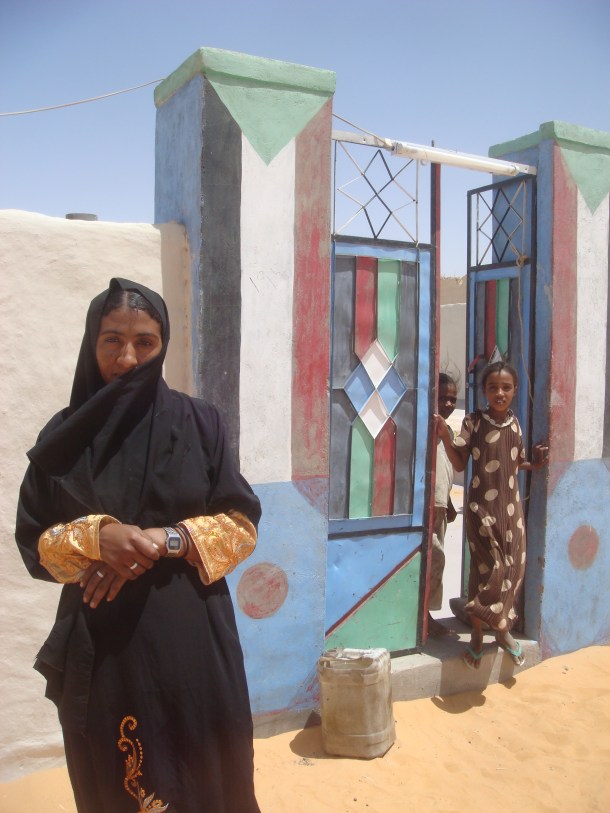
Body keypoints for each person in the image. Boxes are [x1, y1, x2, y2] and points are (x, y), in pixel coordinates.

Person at [15, 278, 262, 813]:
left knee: (210, 781)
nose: (128, 358)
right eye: (112, 341)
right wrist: (96, 537)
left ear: (162, 344)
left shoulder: (201, 423)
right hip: (106, 650)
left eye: (144, 342)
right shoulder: (63, 437)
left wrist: (166, 539)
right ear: (92, 343)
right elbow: (35, 544)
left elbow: (241, 525)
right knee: (118, 784)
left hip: (195, 647)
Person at [435, 361, 548, 670]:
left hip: (511, 512)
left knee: (513, 570)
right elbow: (459, 463)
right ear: (484, 391)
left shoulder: (514, 424)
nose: (500, 393)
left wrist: (535, 465)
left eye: (506, 388)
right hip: (481, 511)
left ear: (514, 391)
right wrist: (446, 436)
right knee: (489, 570)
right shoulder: (474, 422)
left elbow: (515, 462)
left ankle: (493, 630)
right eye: (493, 388)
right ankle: (486, 631)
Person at [428, 372, 458, 636]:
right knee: (432, 558)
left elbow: (446, 469)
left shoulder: (447, 432)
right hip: (427, 507)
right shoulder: (426, 430)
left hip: (439, 506)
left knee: (437, 560)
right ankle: (424, 618)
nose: (448, 404)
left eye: (453, 399)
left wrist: (447, 501)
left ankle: (427, 616)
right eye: (443, 398)